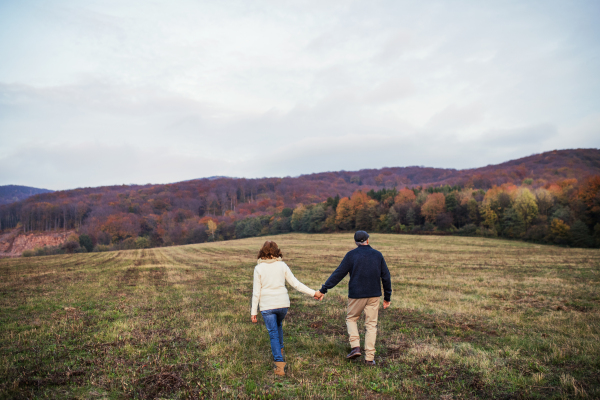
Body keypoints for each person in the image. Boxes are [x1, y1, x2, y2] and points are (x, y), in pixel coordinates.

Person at [314, 231, 392, 366]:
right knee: (371, 325)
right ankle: (369, 358)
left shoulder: (351, 255)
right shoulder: (377, 255)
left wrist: (323, 289)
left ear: (356, 242)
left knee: (351, 319)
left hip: (356, 295)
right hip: (374, 295)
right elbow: (386, 277)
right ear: (367, 240)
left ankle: (355, 346)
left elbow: (338, 274)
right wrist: (387, 297)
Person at [251, 240, 319, 376]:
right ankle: (280, 349)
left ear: (262, 252)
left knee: (273, 334)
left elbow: (256, 292)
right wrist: (314, 293)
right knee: (278, 325)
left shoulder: (258, 268)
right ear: (277, 251)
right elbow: (296, 284)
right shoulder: (282, 266)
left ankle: (279, 365)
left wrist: (253, 312)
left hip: (267, 306)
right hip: (283, 305)